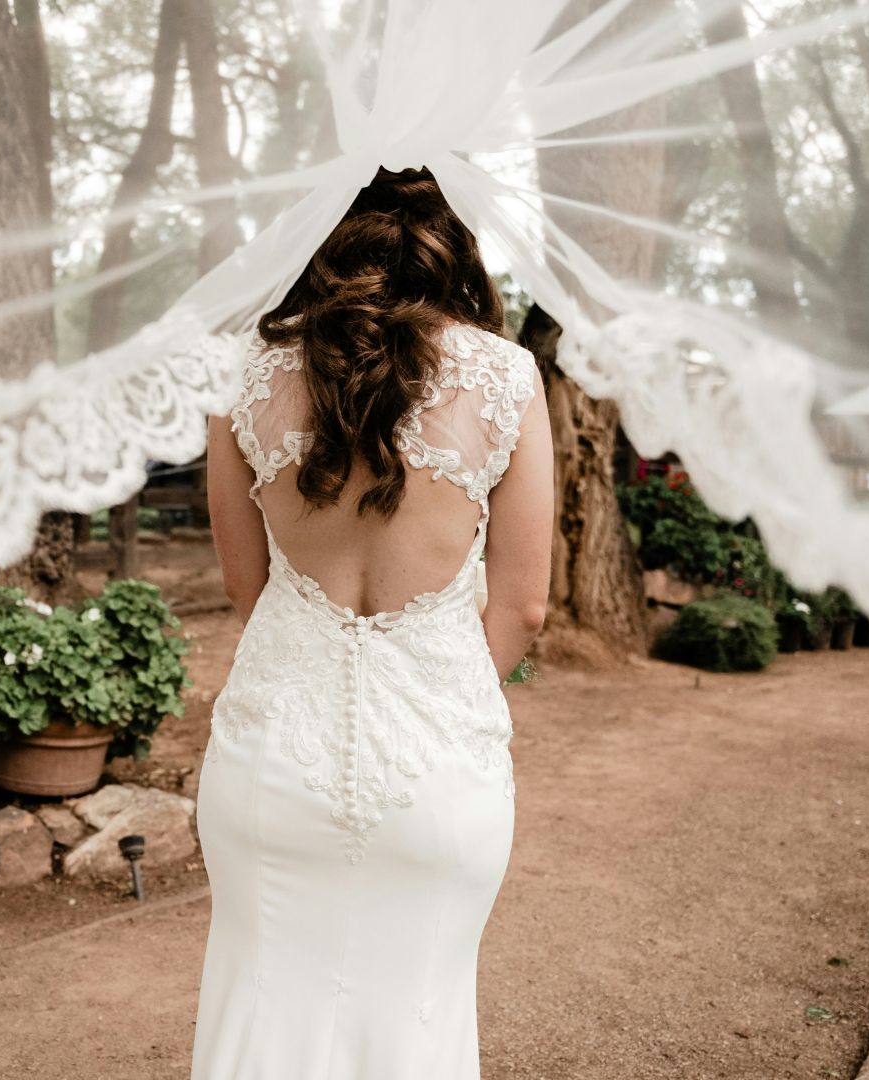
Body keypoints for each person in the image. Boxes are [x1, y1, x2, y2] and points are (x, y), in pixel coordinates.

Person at [193, 166, 553, 1079]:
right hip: (436, 770)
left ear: (315, 234)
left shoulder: (238, 375)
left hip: (276, 758)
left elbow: (247, 585)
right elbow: (524, 605)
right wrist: (442, 685)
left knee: (261, 1007)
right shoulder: (508, 377)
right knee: (418, 1024)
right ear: (449, 238)